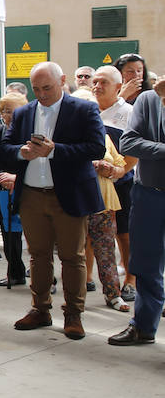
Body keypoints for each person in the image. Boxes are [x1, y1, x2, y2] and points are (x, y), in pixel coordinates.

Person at [0, 62, 105, 340]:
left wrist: (55, 150)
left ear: (62, 81)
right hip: (32, 194)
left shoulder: (83, 109)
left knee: (72, 257)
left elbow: (96, 147)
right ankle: (40, 309)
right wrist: (22, 152)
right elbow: (6, 148)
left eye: (47, 87)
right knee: (38, 255)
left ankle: (73, 314)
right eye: (36, 89)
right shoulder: (23, 113)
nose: (42, 94)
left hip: (67, 194)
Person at [108, 74, 165, 347]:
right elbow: (128, 143)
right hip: (148, 194)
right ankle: (143, 326)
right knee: (145, 264)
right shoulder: (147, 99)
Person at [69, 89, 129, 311]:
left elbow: (121, 166)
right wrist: (90, 165)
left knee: (106, 251)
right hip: (75, 202)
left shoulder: (103, 136)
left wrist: (111, 168)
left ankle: (113, 294)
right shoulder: (65, 136)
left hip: (104, 202)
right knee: (75, 252)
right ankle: (76, 298)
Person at [93, 65, 137, 299]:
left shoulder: (130, 113)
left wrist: (119, 172)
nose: (97, 86)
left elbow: (133, 152)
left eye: (104, 83)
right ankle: (88, 279)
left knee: (124, 232)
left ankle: (131, 278)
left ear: (119, 88)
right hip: (92, 182)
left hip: (122, 182)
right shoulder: (87, 109)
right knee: (90, 233)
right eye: (95, 82)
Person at [0, 93, 29, 288]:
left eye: (12, 111)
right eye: (4, 111)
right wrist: (1, 176)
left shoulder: (30, 134)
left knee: (36, 234)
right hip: (4, 189)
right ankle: (16, 272)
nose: (7, 115)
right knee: (10, 233)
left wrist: (17, 179)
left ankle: (45, 277)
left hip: (29, 189)